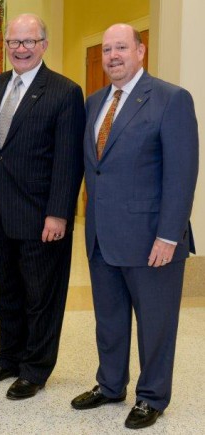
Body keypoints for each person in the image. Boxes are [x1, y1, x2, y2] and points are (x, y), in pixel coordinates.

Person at [71, 24, 199, 430]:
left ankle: (152, 396)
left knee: (156, 323)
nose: (113, 56)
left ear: (141, 51)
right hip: (101, 235)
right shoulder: (94, 103)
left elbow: (182, 174)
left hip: (150, 239)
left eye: (121, 48)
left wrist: (168, 235)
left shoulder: (170, 99)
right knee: (108, 319)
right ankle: (110, 385)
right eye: (107, 49)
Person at [0, 13, 85, 400]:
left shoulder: (64, 91)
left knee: (41, 297)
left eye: (28, 42)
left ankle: (35, 369)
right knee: (6, 291)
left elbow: (68, 160)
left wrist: (59, 212)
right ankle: (9, 358)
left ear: (44, 44)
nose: (20, 49)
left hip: (41, 216)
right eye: (14, 43)